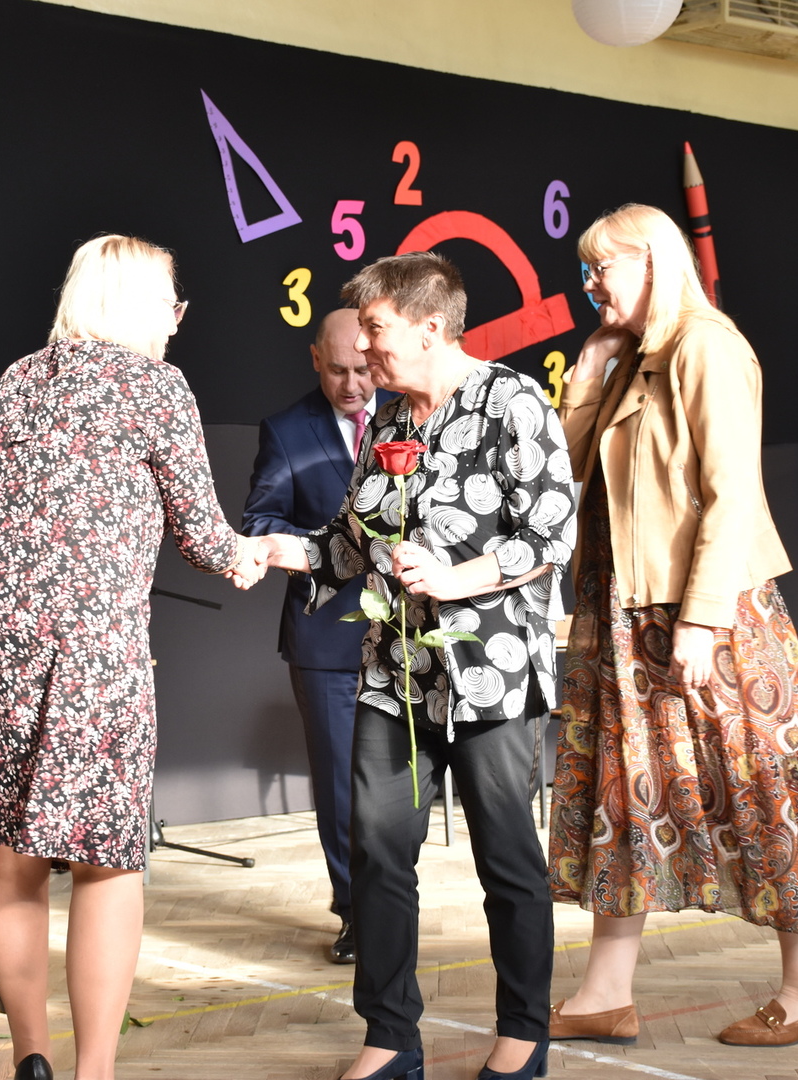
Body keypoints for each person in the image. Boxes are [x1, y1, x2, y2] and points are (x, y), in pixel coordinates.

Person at [0, 235, 260, 1080]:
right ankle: (95, 1073)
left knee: (6, 853)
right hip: (87, 649)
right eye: (170, 302)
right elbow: (204, 538)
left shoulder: (13, 381)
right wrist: (252, 555)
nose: (178, 320)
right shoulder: (156, 386)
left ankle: (33, 1056)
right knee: (104, 859)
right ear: (134, 307)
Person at [547, 203, 798, 1049]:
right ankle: (603, 992)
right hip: (626, 613)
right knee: (623, 795)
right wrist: (588, 369)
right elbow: (564, 470)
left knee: (760, 790)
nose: (589, 284)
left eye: (602, 267)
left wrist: (699, 619)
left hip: (707, 614)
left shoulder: (706, 346)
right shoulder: (632, 357)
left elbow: (732, 495)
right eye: (586, 269)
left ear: (654, 261)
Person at [254, 252, 574, 1080]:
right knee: (377, 854)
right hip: (393, 673)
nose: (364, 347)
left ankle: (524, 1032)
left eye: (376, 329)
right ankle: (391, 1036)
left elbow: (551, 535)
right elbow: (346, 544)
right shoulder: (390, 422)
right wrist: (274, 551)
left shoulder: (514, 403)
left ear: (431, 328)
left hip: (491, 673)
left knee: (507, 859)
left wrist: (460, 578)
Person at [242, 307, 391, 966]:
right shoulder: (285, 430)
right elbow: (260, 520)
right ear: (314, 361)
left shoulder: (412, 416)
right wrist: (332, 548)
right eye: (337, 371)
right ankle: (356, 913)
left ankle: (394, 905)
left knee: (397, 786)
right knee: (340, 786)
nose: (352, 385)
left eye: (363, 370)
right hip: (326, 639)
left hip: (408, 635)